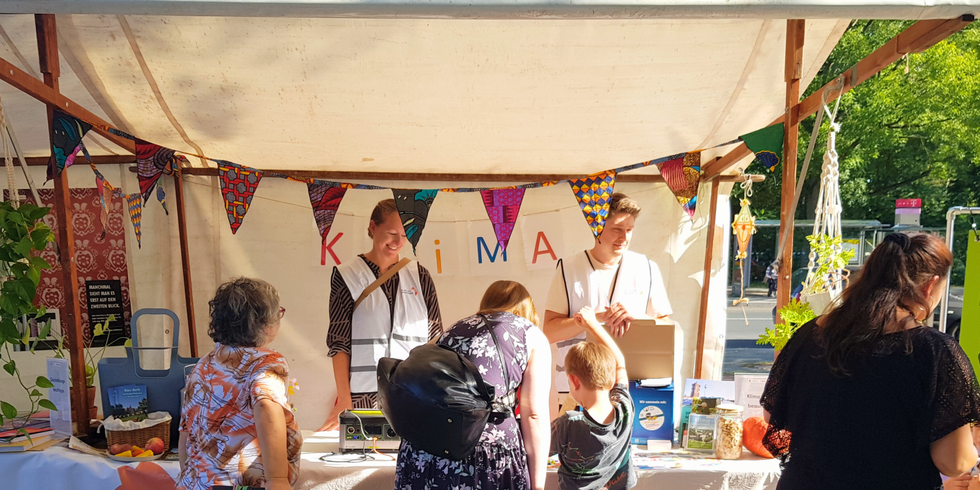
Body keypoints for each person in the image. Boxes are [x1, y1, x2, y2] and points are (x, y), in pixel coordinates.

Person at [760, 233, 980, 489]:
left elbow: (771, 412)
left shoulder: (811, 333)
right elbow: (953, 462)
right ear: (930, 286)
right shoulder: (936, 351)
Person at [394, 280, 551, 490]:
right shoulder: (530, 334)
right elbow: (533, 415)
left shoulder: (451, 330)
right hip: (487, 454)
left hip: (425, 451)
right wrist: (538, 486)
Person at [319, 198, 443, 431]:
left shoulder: (420, 275)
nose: (398, 242)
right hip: (363, 395)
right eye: (392, 233)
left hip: (412, 393)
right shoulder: (347, 275)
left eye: (405, 235)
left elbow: (435, 339)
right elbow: (339, 342)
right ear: (373, 227)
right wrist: (344, 399)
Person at [543, 192, 671, 406]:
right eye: (617, 229)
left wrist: (638, 317)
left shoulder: (647, 268)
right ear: (597, 228)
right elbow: (548, 332)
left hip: (633, 386)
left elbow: (667, 328)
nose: (624, 238)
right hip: (577, 391)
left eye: (629, 230)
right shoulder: (568, 268)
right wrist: (594, 319)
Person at [178, 278, 301, 490]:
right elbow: (266, 406)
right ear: (264, 324)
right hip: (243, 485)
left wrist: (188, 475)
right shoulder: (267, 362)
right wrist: (277, 479)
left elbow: (186, 430)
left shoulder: (203, 364)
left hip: (198, 482)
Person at [551, 305, 636, 490]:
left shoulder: (568, 423)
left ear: (573, 381)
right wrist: (593, 325)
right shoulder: (625, 410)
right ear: (611, 377)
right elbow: (620, 363)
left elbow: (538, 446)